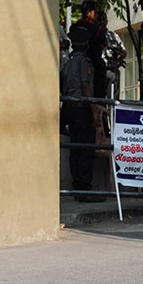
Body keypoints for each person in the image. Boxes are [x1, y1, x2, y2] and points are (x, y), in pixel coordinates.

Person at [60, 39, 95, 193]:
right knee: (86, 148)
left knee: (75, 148)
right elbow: (85, 85)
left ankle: (77, 185)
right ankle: (84, 188)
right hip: (82, 107)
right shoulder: (84, 62)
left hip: (70, 108)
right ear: (87, 46)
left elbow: (63, 86)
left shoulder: (67, 63)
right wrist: (93, 109)